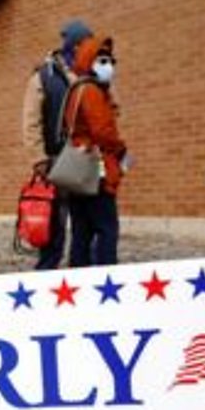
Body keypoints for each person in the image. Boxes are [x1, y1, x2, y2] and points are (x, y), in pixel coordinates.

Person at [22, 19, 94, 270]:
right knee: (54, 229)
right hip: (54, 161)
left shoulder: (91, 74)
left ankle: (80, 276)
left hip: (85, 161)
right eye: (87, 44)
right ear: (75, 46)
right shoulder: (43, 76)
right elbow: (31, 123)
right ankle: (45, 277)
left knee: (86, 225)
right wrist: (39, 159)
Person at [64, 36, 130, 268]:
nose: (108, 65)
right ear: (89, 61)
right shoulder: (92, 91)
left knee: (82, 231)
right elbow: (103, 131)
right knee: (106, 229)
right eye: (102, 60)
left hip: (79, 169)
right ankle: (105, 278)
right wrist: (121, 149)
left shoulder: (76, 89)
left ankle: (78, 280)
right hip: (96, 170)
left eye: (111, 60)